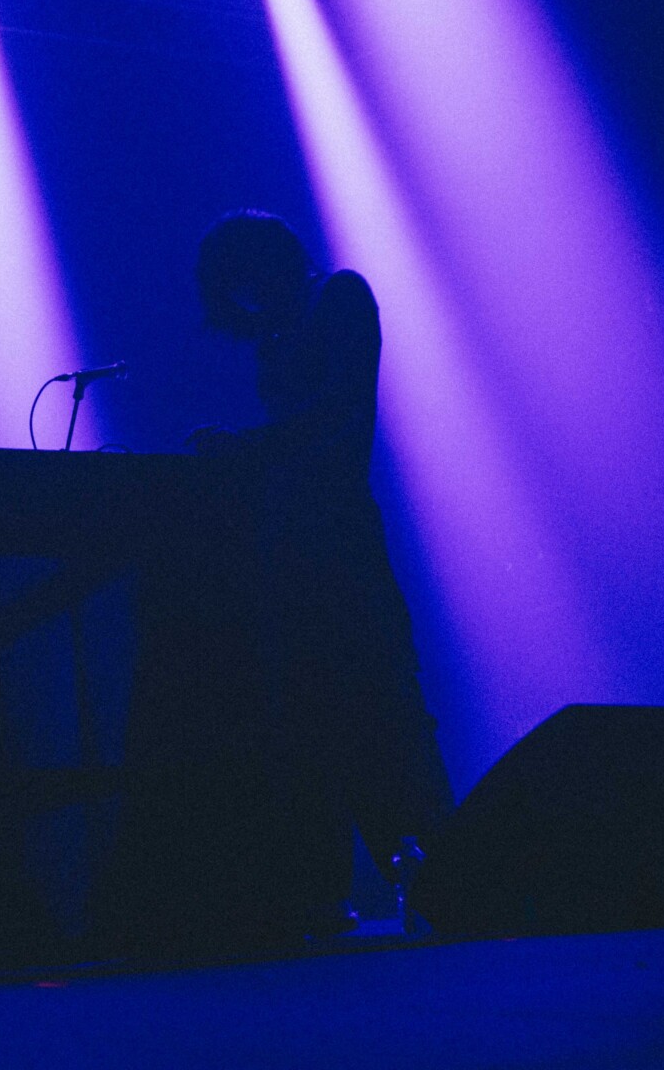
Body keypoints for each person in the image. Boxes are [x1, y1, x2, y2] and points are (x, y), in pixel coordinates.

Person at [191, 209, 451, 907]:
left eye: (243, 281)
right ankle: (328, 889)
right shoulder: (277, 330)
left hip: (340, 536)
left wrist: (248, 448)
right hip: (289, 544)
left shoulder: (340, 295)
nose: (243, 300)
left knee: (382, 697)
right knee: (311, 710)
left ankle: (442, 870)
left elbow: (344, 411)